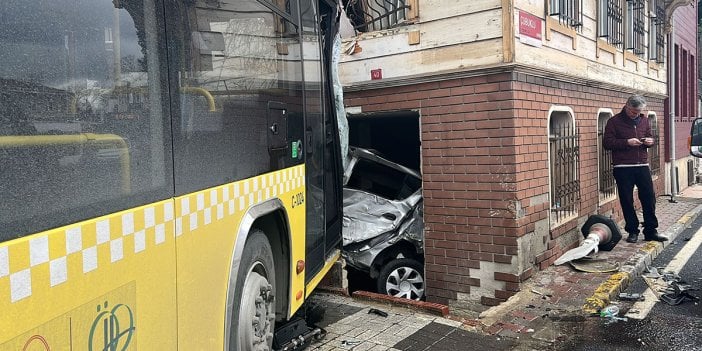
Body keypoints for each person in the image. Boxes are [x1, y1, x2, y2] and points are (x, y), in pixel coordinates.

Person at [603, 95, 667, 243]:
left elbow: (650, 137)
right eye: (634, 112)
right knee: (627, 200)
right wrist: (627, 142)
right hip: (623, 167)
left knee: (649, 198)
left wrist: (650, 142)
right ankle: (632, 231)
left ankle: (651, 231)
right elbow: (607, 143)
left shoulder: (644, 120)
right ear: (626, 106)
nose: (636, 114)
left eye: (639, 112)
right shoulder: (614, 122)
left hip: (642, 165)